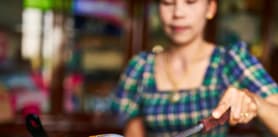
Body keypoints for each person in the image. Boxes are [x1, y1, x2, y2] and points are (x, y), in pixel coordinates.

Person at [112, 0, 278, 137]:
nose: (178, 13)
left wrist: (256, 103)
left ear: (210, 8)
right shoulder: (140, 67)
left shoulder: (229, 60)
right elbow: (133, 131)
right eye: (167, 3)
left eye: (190, 2)